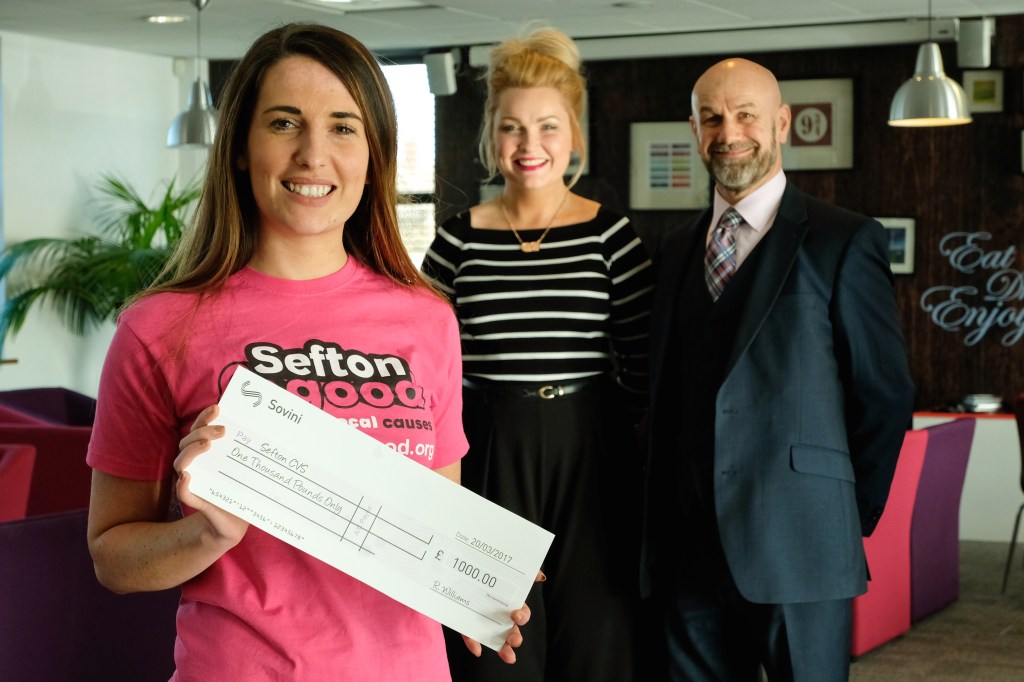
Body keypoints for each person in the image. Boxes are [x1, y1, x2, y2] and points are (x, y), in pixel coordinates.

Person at [85, 23, 530, 681]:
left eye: (343, 127)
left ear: (375, 155)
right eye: (284, 123)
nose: (313, 154)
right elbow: (113, 560)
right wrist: (205, 534)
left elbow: (437, 526)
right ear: (241, 148)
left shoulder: (427, 319)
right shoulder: (160, 328)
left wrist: (471, 589)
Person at [643, 57, 915, 681]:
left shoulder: (842, 240)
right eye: (712, 118)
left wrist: (839, 512)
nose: (729, 132)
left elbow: (884, 393)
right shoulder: (675, 249)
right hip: (686, 550)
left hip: (803, 541)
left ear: (783, 123)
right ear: (694, 130)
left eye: (746, 115)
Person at [421, 26, 654, 682]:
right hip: (489, 449)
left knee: (598, 642)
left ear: (573, 134)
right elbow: (426, 369)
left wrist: (610, 435)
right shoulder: (456, 242)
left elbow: (642, 365)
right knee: (499, 646)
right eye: (512, 128)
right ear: (490, 136)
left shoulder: (611, 236)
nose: (530, 145)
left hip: (594, 452)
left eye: (548, 127)